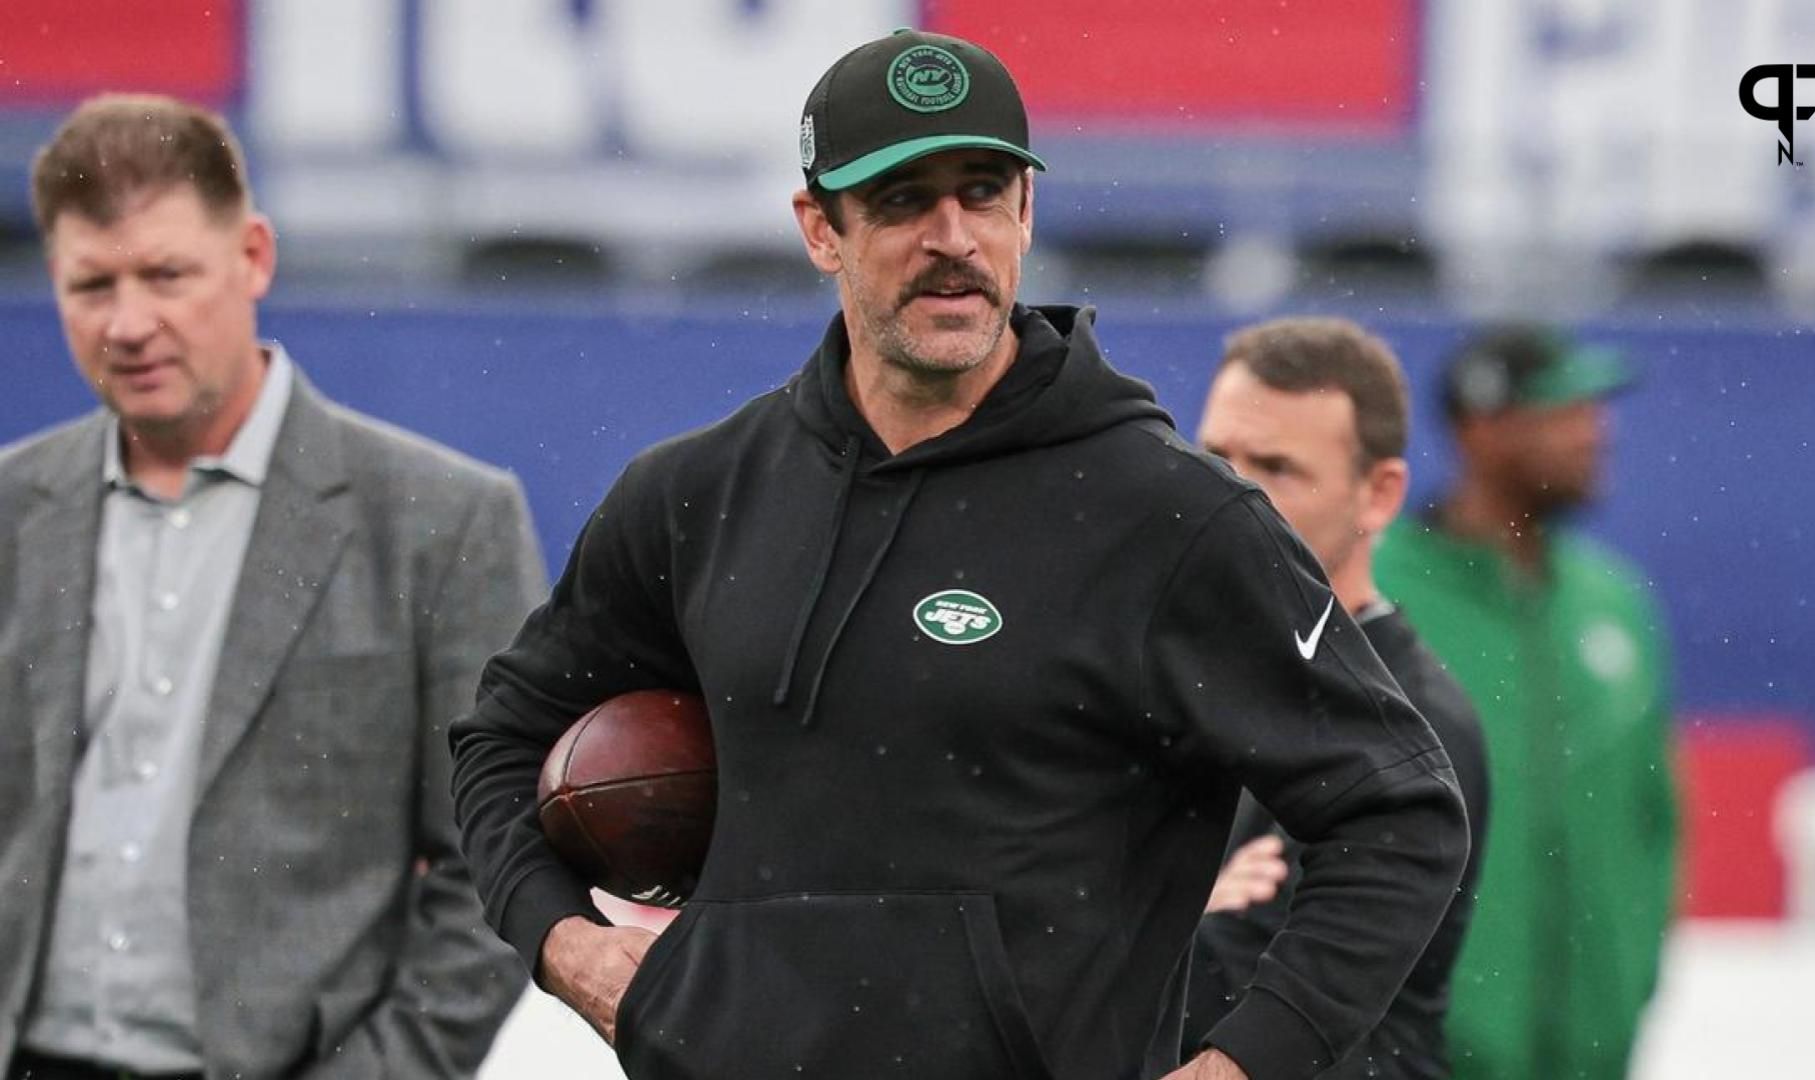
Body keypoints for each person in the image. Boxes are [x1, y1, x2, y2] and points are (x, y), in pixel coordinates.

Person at [450, 29, 1468, 1080]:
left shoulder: (1167, 517)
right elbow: (503, 738)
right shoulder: (697, 495)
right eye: (900, 200)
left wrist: (1241, 1064)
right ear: (819, 229)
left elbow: (1398, 815)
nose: (953, 237)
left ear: (1025, 212)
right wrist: (565, 944)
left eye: (982, 192)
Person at [0, 95, 544, 1079]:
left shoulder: (441, 521)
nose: (129, 322)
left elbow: (493, 864)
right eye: (92, 284)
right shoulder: (11, 508)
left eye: (166, 274)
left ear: (253, 255)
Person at [1182, 317, 1489, 1079]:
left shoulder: (1413, 726)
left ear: (1378, 495)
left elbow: (1233, 986)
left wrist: (1141, 917)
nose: (1231, 494)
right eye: (1215, 457)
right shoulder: (1183, 679)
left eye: (1276, 468)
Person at [1374, 325, 1679, 1080]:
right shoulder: (1376, 591)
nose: (1594, 432)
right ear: (1482, 430)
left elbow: (1654, 817)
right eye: (1563, 411)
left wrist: (1630, 982)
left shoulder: (1615, 601)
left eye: (1595, 410)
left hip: (1592, 1055)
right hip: (1423, 1058)